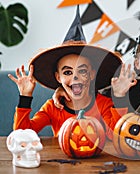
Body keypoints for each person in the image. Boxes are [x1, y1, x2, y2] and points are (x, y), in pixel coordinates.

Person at [8, 6, 122, 140]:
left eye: (82, 71)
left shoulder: (104, 104)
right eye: (68, 72)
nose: (75, 76)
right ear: (58, 77)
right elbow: (22, 135)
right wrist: (25, 97)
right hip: (60, 160)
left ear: (92, 74)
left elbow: (116, 135)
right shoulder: (53, 107)